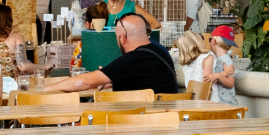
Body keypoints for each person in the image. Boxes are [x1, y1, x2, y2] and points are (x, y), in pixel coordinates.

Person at [43, 15, 178, 94]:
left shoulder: (132, 60)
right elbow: (143, 81)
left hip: (146, 125)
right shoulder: (160, 49)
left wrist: (46, 90)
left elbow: (82, 82)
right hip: (168, 119)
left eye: (116, 36)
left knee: (81, 126)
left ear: (123, 38)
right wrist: (115, 80)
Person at [202, 25, 239, 104]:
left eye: (210, 39)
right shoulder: (214, 58)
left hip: (227, 103)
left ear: (214, 41)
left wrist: (218, 76)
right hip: (218, 101)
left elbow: (231, 83)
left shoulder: (226, 60)